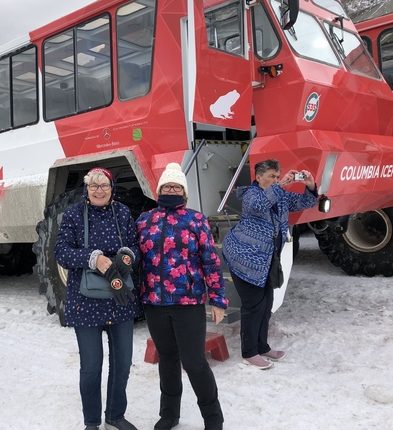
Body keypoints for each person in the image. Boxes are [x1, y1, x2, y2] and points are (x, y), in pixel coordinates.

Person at [136, 162, 228, 430]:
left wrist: (218, 300)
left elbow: (210, 261)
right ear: (159, 190)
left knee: (194, 362)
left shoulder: (195, 219)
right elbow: (135, 257)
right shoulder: (145, 220)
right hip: (154, 302)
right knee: (167, 359)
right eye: (167, 185)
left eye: (177, 186)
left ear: (184, 194)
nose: (171, 189)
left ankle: (213, 418)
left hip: (188, 302)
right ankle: (169, 415)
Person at [54, 167, 142, 430]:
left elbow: (135, 246)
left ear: (111, 188)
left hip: (120, 299)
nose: (99, 190)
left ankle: (115, 415)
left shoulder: (123, 213)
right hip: (86, 302)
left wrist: (126, 257)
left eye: (104, 185)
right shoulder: (72, 215)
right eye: (94, 186)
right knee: (91, 366)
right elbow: (61, 252)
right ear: (87, 190)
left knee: (123, 363)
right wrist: (93, 258)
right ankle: (91, 421)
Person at [222, 159, 318, 370]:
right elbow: (259, 205)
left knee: (266, 305)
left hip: (266, 259)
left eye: (277, 176)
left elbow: (305, 203)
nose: (276, 180)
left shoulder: (279, 195)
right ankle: (249, 352)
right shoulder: (251, 194)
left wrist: (309, 184)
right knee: (253, 305)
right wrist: (281, 184)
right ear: (258, 177)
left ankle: (262, 346)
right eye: (272, 177)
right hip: (244, 258)